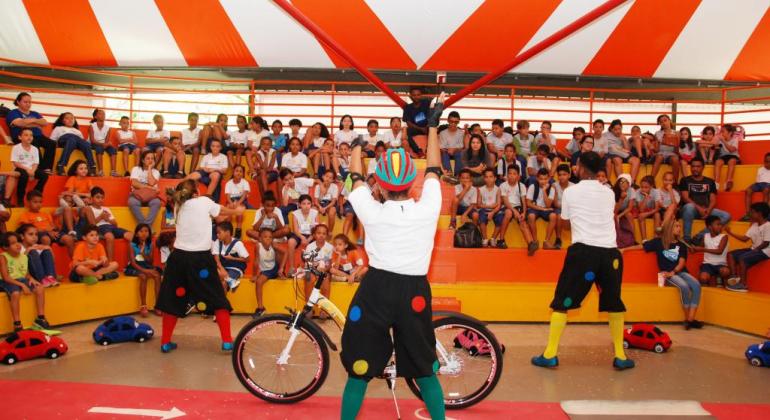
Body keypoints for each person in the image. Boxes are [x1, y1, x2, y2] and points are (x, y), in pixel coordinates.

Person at [339, 92, 446, 420]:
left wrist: (357, 146)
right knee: (424, 366)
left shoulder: (371, 210)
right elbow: (434, 168)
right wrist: (432, 126)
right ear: (412, 185)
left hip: (377, 290)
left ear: (381, 187)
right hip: (414, 290)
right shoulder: (429, 206)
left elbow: (355, 179)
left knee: (359, 366)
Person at [532, 151, 634, 370]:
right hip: (610, 254)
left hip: (583, 254)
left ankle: (550, 354)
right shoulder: (608, 193)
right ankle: (620, 356)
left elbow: (566, 222)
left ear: (579, 166)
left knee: (562, 303)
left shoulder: (570, 192)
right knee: (614, 303)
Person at [154, 179, 244, 353]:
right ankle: (227, 341)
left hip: (178, 259)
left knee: (172, 300)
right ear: (196, 193)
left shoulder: (177, 206)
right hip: (201, 260)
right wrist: (237, 210)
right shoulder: (204, 202)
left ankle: (165, 342)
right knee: (218, 297)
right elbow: (223, 212)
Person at [637, 219, 703, 329]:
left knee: (696, 285)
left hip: (679, 271)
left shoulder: (681, 245)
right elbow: (642, 247)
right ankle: (688, 319)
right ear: (669, 228)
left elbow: (682, 262)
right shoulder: (658, 242)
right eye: (677, 226)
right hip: (666, 274)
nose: (679, 228)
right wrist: (624, 249)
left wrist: (674, 272)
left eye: (679, 226)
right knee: (684, 286)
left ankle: (690, 319)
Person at [0, 232, 49, 332]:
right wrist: (22, 285)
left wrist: (32, 279)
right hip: (7, 281)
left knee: (39, 288)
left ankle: (40, 318)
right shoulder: (3, 257)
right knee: (15, 293)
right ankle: (17, 323)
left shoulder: (24, 257)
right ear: (5, 247)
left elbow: (25, 274)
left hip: (21, 279)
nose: (18, 244)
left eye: (18, 242)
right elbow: (6, 277)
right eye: (13, 243)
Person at [679, 158, 731, 243]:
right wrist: (699, 209)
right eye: (693, 166)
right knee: (689, 207)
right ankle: (687, 239)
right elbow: (685, 198)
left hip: (706, 210)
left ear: (703, 167)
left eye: (698, 166)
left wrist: (708, 210)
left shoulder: (710, 181)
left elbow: (713, 200)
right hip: (690, 211)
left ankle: (699, 237)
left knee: (726, 216)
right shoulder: (685, 180)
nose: (695, 169)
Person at [724, 202, 770, 292]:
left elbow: (766, 243)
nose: (750, 214)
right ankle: (734, 278)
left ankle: (743, 285)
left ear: (759, 213)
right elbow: (745, 239)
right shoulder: (754, 225)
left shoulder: (768, 225)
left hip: (765, 251)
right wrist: (730, 233)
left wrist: (755, 250)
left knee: (743, 258)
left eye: (752, 212)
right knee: (731, 254)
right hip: (755, 249)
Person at [5, 92, 56, 173]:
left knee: (52, 143)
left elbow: (45, 122)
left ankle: (47, 168)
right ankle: (39, 169)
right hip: (22, 137)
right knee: (34, 143)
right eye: (25, 102)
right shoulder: (13, 113)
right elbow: (20, 123)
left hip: (39, 136)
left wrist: (31, 120)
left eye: (29, 102)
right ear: (18, 102)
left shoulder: (34, 113)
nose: (28, 104)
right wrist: (36, 124)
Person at [80, 186, 132, 261]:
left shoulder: (106, 209)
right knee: (110, 237)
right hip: (100, 227)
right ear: (91, 199)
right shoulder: (89, 208)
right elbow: (92, 224)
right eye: (98, 197)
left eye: (102, 197)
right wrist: (101, 217)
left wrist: (108, 220)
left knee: (131, 236)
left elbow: (115, 224)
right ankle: (110, 262)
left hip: (111, 226)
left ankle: (131, 262)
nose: (100, 200)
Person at [18, 190, 75, 256]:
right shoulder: (25, 215)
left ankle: (74, 263)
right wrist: (47, 231)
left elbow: (53, 226)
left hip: (52, 233)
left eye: (40, 202)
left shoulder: (45, 214)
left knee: (69, 239)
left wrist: (54, 230)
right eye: (35, 202)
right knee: (46, 239)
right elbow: (26, 230)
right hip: (39, 234)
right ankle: (48, 260)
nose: (38, 204)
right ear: (28, 202)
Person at [125, 223, 162, 317]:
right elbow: (133, 263)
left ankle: (158, 305)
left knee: (157, 276)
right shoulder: (131, 245)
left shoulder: (151, 244)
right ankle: (143, 306)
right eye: (141, 231)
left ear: (149, 233)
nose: (144, 233)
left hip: (145, 265)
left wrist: (143, 253)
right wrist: (145, 271)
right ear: (136, 234)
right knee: (143, 276)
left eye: (146, 231)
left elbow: (150, 261)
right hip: (134, 266)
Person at [500, 165, 537, 255]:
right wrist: (514, 211)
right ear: (507, 175)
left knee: (523, 222)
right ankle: (501, 240)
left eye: (514, 174)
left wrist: (524, 212)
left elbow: (524, 202)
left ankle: (530, 244)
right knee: (508, 213)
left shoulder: (522, 186)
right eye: (510, 173)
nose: (512, 175)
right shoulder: (503, 185)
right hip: (507, 207)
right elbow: (505, 201)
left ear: (518, 176)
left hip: (518, 207)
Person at [6, 127, 48, 207]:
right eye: (26, 135)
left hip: (32, 168)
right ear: (20, 137)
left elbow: (36, 163)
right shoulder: (16, 147)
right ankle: (20, 198)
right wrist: (27, 169)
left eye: (31, 135)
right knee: (24, 175)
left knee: (44, 176)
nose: (29, 137)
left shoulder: (35, 149)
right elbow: (15, 162)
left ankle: (35, 193)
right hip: (21, 167)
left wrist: (32, 171)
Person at [251, 228, 283, 318]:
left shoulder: (273, 245)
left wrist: (281, 268)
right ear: (260, 239)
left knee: (259, 282)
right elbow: (256, 261)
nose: (268, 239)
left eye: (270, 237)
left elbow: (286, 252)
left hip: (273, 268)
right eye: (265, 237)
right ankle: (261, 308)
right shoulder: (258, 246)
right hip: (264, 269)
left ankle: (260, 308)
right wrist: (254, 275)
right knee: (258, 281)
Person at [302, 224, 334, 311]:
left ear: (326, 236)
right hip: (312, 270)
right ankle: (308, 307)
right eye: (319, 233)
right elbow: (308, 262)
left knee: (325, 281)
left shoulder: (330, 247)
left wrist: (324, 269)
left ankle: (324, 309)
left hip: (324, 271)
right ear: (314, 235)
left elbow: (330, 263)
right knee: (309, 280)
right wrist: (315, 268)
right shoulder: (310, 246)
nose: (321, 235)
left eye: (324, 233)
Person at [16, 224, 59, 288]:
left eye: (36, 234)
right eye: (31, 234)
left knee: (46, 252)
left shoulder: (36, 246)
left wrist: (49, 249)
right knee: (33, 252)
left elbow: (53, 262)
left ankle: (50, 278)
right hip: (29, 276)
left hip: (46, 277)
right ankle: (42, 279)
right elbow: (18, 263)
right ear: (22, 236)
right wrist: (28, 250)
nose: (34, 237)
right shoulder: (18, 247)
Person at [694, 215, 730, 287]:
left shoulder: (724, 236)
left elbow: (719, 251)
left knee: (725, 272)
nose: (720, 226)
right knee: (703, 278)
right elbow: (700, 248)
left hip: (721, 265)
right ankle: (709, 284)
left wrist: (702, 249)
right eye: (718, 224)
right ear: (709, 227)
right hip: (707, 265)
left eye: (720, 224)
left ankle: (720, 278)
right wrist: (694, 249)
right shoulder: (705, 236)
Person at [287, 194, 319, 276]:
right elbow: (295, 229)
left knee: (319, 239)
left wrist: (309, 239)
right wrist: (302, 238)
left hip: (312, 234)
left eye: (308, 203)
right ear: (299, 204)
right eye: (304, 203)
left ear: (311, 204)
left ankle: (315, 267)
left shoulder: (315, 213)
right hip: (299, 234)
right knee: (291, 241)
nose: (306, 206)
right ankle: (291, 267)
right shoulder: (295, 214)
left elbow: (316, 229)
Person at [213, 221, 249, 292]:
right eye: (216, 233)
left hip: (235, 269)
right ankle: (231, 281)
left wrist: (232, 258)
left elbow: (247, 259)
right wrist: (222, 268)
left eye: (219, 233)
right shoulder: (217, 242)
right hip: (222, 268)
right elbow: (216, 258)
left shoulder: (237, 243)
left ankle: (229, 282)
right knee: (214, 271)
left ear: (227, 232)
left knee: (223, 283)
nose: (217, 235)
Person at [128, 151, 162, 226]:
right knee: (132, 202)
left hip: (151, 196)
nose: (150, 160)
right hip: (137, 195)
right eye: (148, 158)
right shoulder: (136, 169)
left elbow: (151, 182)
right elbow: (135, 184)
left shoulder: (156, 172)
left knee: (157, 202)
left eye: (152, 159)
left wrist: (149, 168)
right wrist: (150, 187)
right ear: (143, 160)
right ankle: (146, 227)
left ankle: (145, 226)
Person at [526, 168, 558, 250]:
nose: (543, 181)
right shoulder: (532, 186)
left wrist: (544, 191)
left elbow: (548, 205)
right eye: (541, 179)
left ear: (549, 179)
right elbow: (528, 203)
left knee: (554, 216)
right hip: (535, 208)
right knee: (531, 216)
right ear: (537, 178)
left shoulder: (552, 188)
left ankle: (546, 241)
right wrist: (541, 209)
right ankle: (535, 241)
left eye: (545, 179)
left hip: (546, 209)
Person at [476, 169, 503, 248]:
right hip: (484, 210)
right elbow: (478, 204)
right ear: (484, 178)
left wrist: (492, 212)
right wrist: (490, 206)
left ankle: (493, 238)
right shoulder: (481, 189)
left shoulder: (498, 189)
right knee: (481, 218)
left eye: (491, 177)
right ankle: (484, 239)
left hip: (495, 210)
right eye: (486, 177)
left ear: (495, 178)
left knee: (501, 218)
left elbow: (498, 205)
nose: (488, 179)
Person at [224, 165, 252, 238]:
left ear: (243, 174)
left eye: (240, 171)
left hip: (241, 199)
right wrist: (231, 203)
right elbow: (227, 196)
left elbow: (244, 195)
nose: (238, 173)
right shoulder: (228, 183)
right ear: (233, 172)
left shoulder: (245, 182)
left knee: (239, 211)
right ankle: (228, 230)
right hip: (231, 200)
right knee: (228, 210)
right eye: (237, 171)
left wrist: (238, 203)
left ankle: (238, 231)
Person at [741, 152, 770, 221]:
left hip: (768, 184)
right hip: (759, 184)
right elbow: (757, 181)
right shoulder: (760, 169)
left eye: (769, 162)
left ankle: (764, 212)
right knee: (748, 190)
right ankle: (748, 212)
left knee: (766, 190)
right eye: (766, 161)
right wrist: (751, 186)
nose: (768, 163)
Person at [651, 114, 681, 181]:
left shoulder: (677, 133)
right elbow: (657, 150)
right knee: (659, 157)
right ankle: (651, 180)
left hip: (672, 153)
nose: (664, 123)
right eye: (661, 122)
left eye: (665, 120)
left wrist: (673, 142)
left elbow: (677, 150)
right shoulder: (657, 133)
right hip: (661, 153)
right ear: (660, 124)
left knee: (675, 159)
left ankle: (675, 182)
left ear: (669, 121)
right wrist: (653, 147)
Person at [401, 86, 428, 158]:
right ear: (411, 96)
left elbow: (431, 117)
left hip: (426, 128)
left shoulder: (426, 104)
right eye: (414, 95)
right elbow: (408, 123)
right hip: (416, 129)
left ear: (421, 95)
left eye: (418, 95)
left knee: (433, 130)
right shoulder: (407, 107)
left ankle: (428, 151)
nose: (416, 97)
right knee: (407, 132)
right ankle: (419, 151)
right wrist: (420, 129)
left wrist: (427, 127)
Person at [713, 124, 742, 191]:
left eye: (723, 131)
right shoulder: (720, 140)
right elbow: (714, 145)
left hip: (733, 157)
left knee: (731, 161)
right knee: (718, 162)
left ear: (730, 133)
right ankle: (716, 184)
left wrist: (723, 141)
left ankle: (728, 182)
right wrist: (716, 143)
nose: (721, 133)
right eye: (721, 131)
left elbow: (731, 150)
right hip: (723, 157)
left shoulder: (735, 139)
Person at [88, 108, 116, 177]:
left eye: (104, 114)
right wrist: (103, 144)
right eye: (100, 114)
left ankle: (113, 172)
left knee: (113, 149)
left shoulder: (108, 127)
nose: (103, 115)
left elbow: (106, 141)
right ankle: (100, 171)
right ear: (95, 117)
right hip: (93, 144)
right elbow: (92, 140)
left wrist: (107, 144)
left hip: (103, 144)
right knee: (99, 149)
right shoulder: (92, 126)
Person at [613, 174, 638, 248]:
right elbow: (614, 210)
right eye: (620, 182)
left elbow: (629, 208)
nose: (622, 184)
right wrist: (621, 198)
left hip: (625, 210)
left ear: (629, 183)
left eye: (625, 182)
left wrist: (619, 216)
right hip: (614, 210)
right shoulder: (614, 190)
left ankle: (633, 239)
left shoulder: (631, 190)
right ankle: (616, 240)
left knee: (629, 215)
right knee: (613, 217)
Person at [552, 164, 574, 250]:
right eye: (560, 175)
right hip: (559, 209)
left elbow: (573, 203)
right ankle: (558, 239)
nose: (561, 177)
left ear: (569, 175)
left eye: (564, 174)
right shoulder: (554, 185)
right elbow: (555, 203)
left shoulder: (573, 186)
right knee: (558, 215)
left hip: (570, 209)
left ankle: (576, 241)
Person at [439, 111, 465, 176]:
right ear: (448, 120)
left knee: (459, 153)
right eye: (451, 121)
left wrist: (454, 149)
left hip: (457, 152)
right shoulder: (442, 133)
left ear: (458, 122)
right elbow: (442, 147)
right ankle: (448, 174)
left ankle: (458, 175)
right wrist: (449, 150)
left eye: (456, 122)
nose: (453, 123)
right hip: (446, 152)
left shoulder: (461, 133)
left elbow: (461, 146)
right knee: (444, 154)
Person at [636, 176, 661, 241]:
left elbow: (657, 208)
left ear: (651, 186)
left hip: (652, 211)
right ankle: (644, 240)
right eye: (642, 187)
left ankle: (656, 237)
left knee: (657, 214)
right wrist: (646, 197)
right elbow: (641, 210)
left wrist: (647, 214)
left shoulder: (656, 192)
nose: (643, 189)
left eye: (646, 187)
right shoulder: (638, 192)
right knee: (641, 215)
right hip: (643, 211)